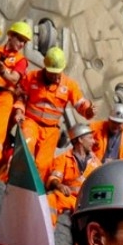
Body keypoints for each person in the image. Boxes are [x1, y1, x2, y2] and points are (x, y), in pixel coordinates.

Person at [14, 46, 95, 182]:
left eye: (57, 73)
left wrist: (88, 111)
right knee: (25, 152)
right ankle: (10, 182)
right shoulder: (32, 77)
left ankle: (33, 194)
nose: (54, 76)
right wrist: (19, 111)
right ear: (45, 67)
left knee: (43, 165)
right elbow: (20, 96)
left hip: (51, 130)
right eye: (51, 72)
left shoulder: (69, 85)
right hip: (31, 122)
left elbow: (81, 104)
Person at [0, 21, 31, 167]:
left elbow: (14, 78)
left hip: (5, 97)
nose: (22, 44)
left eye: (25, 42)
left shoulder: (21, 60)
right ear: (11, 36)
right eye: (20, 39)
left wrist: (3, 71)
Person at [46, 122, 101, 226]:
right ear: (80, 139)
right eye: (90, 138)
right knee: (51, 198)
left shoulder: (96, 164)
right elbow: (54, 178)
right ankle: (46, 229)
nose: (93, 141)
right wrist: (59, 185)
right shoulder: (63, 158)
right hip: (68, 198)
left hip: (85, 203)